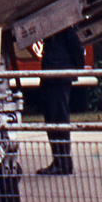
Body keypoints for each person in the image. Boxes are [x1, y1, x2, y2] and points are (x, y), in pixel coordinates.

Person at [37, 26, 82, 175]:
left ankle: (62, 162)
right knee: (54, 120)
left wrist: (75, 68)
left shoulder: (62, 27)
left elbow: (76, 45)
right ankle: (60, 160)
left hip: (57, 73)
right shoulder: (57, 29)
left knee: (57, 120)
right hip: (54, 73)